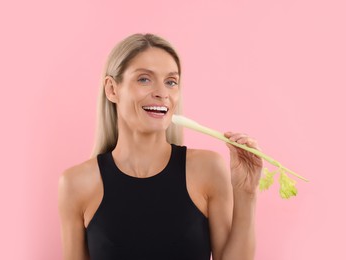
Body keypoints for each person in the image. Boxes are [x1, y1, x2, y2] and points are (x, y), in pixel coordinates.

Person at [58, 33, 263, 260]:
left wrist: (246, 195)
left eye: (171, 82)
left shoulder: (208, 169)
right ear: (112, 89)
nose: (162, 93)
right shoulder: (76, 184)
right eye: (144, 79)